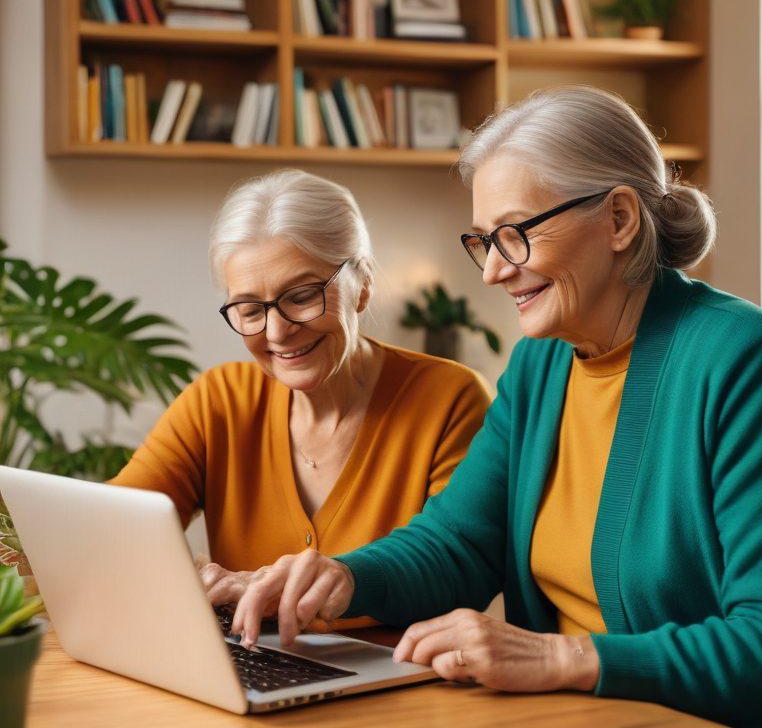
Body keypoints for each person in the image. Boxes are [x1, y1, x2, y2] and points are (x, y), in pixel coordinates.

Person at [229, 89, 762, 728]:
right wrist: (343, 579)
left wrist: (559, 660)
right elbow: (458, 542)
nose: (491, 270)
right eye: (482, 240)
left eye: (513, 235)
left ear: (618, 220)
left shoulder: (743, 360)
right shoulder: (543, 362)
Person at [111, 169, 490, 627]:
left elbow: (462, 569)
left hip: (403, 680)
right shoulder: (219, 401)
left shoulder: (449, 399)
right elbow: (114, 529)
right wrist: (187, 577)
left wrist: (333, 584)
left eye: (302, 296)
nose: (277, 331)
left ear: (362, 284)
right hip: (256, 675)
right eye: (250, 309)